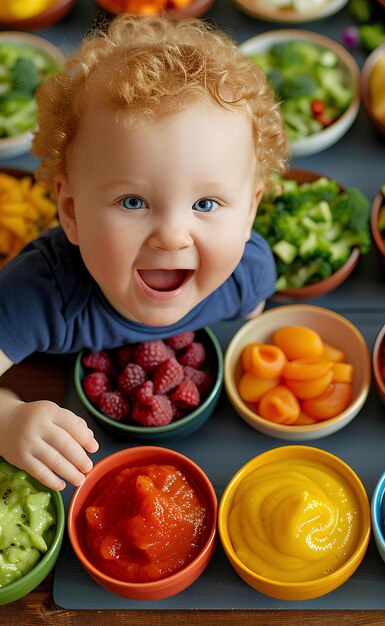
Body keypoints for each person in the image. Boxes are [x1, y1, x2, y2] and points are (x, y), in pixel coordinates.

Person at [0, 14, 289, 491]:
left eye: (206, 204)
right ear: (70, 212)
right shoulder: (40, 293)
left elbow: (254, 309)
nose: (172, 236)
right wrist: (9, 419)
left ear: (250, 213)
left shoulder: (247, 276)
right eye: (133, 202)